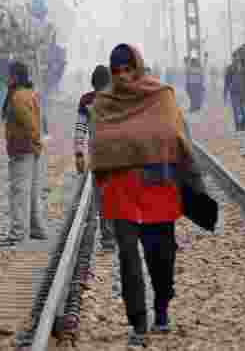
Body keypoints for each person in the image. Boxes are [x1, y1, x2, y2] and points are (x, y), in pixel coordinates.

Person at [90, 44, 204, 347]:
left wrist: (192, 182)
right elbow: (98, 144)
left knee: (161, 256)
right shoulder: (104, 103)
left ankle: (162, 307)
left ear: (138, 67)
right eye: (118, 71)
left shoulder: (160, 95)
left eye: (128, 69)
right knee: (128, 256)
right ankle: (138, 322)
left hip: (158, 189)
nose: (124, 76)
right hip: (121, 191)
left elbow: (177, 135)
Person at [0, 61, 48, 249]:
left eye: (8, 75)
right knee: (32, 191)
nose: (6, 78)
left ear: (15, 77)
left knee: (19, 192)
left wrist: (35, 143)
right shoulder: (30, 94)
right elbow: (39, 122)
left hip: (22, 149)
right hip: (31, 149)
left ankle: (18, 233)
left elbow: (30, 125)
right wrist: (37, 145)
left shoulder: (18, 98)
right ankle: (37, 228)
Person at [75, 64, 116, 251]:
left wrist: (79, 154)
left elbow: (80, 130)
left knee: (102, 197)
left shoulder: (86, 101)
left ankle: (108, 237)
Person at [223, 50, 244, 133]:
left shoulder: (243, 67)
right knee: (236, 110)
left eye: (237, 57)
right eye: (234, 57)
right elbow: (227, 81)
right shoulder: (230, 68)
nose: (236, 58)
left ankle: (242, 125)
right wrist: (225, 92)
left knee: (242, 110)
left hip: (243, 92)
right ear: (233, 58)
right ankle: (237, 126)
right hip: (234, 92)